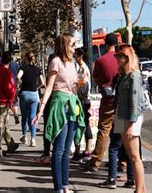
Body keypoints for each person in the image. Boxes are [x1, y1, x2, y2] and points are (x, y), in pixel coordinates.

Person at [33, 34, 85, 193]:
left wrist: (79, 84)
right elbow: (48, 88)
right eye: (72, 44)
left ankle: (65, 186)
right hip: (60, 106)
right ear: (64, 45)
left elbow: (73, 87)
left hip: (72, 105)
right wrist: (41, 110)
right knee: (59, 149)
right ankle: (58, 188)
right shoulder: (56, 62)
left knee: (67, 150)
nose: (74, 47)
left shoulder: (72, 64)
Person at [112, 44, 146, 193]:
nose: (117, 59)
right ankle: (142, 189)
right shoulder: (123, 75)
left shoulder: (134, 75)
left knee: (134, 156)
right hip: (121, 116)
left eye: (120, 56)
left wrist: (131, 124)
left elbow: (135, 101)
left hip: (130, 118)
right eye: (117, 56)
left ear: (128, 58)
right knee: (129, 154)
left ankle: (139, 190)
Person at [83, 33, 119, 172]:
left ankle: (96, 161)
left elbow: (96, 79)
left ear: (106, 44)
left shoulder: (100, 61)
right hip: (121, 101)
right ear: (115, 44)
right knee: (120, 130)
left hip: (107, 100)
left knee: (104, 130)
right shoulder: (121, 59)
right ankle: (122, 161)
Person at [0, 51, 20, 157]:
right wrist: (13, 95)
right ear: (10, 61)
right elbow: (9, 88)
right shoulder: (7, 73)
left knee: (4, 122)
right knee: (1, 124)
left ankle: (11, 144)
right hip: (3, 101)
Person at [18, 50, 45, 146]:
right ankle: (33, 139)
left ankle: (24, 136)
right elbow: (43, 82)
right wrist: (36, 87)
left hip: (24, 93)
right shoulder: (37, 69)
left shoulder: (23, 68)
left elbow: (18, 77)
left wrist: (18, 85)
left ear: (26, 58)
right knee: (33, 117)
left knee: (24, 116)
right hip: (34, 94)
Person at [73, 47, 93, 162]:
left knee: (81, 125)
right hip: (85, 100)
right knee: (85, 124)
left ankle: (81, 151)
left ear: (80, 56)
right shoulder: (82, 68)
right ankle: (86, 150)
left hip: (82, 101)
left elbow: (81, 87)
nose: (74, 57)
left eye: (75, 55)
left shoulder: (82, 69)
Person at [9, 56, 21, 124]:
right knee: (15, 101)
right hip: (14, 85)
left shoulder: (5, 65)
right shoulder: (16, 64)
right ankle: (15, 113)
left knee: (8, 101)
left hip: (7, 85)